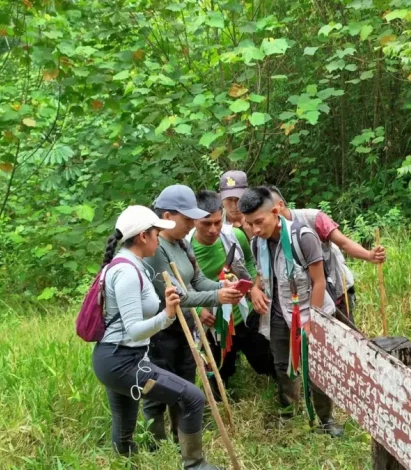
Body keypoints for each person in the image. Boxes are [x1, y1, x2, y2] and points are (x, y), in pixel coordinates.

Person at [91, 205, 223, 469]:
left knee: (124, 432)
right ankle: (195, 464)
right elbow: (134, 330)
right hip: (122, 362)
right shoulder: (127, 272)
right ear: (143, 236)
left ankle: (126, 464)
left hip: (118, 358)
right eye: (156, 234)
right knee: (192, 397)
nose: (159, 239)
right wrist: (167, 315)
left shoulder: (132, 265)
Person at [239, 186, 343, 437]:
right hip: (277, 314)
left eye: (259, 222)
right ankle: (289, 414)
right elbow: (262, 275)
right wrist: (255, 290)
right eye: (249, 224)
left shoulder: (303, 237)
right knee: (283, 365)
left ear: (275, 212)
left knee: (316, 366)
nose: (255, 229)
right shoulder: (257, 243)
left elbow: (318, 281)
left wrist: (313, 321)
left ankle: (325, 419)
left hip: (309, 310)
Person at [143, 185, 244, 444]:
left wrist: (221, 286)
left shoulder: (182, 243)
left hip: (186, 326)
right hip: (160, 330)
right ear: (168, 217)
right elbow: (179, 296)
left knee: (185, 383)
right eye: (188, 219)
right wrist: (217, 297)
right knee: (158, 387)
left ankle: (182, 439)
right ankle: (155, 443)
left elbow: (197, 281)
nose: (191, 225)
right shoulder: (156, 249)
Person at [188, 190, 275, 399]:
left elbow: (250, 263)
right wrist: (198, 310)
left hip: (244, 313)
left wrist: (254, 288)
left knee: (265, 361)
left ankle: (278, 393)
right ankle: (219, 399)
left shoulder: (234, 236)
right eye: (206, 224)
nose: (213, 229)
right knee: (219, 371)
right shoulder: (185, 247)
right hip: (212, 320)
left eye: (218, 222)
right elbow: (182, 284)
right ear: (193, 220)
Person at [267, 184, 386, 322]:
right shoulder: (264, 233)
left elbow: (343, 243)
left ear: (280, 206)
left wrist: (369, 255)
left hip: (335, 289)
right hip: (300, 299)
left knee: (342, 332)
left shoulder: (313, 218)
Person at [219, 170, 253, 238]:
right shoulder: (215, 223)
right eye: (229, 199)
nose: (234, 205)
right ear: (221, 198)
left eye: (238, 199)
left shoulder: (258, 219)